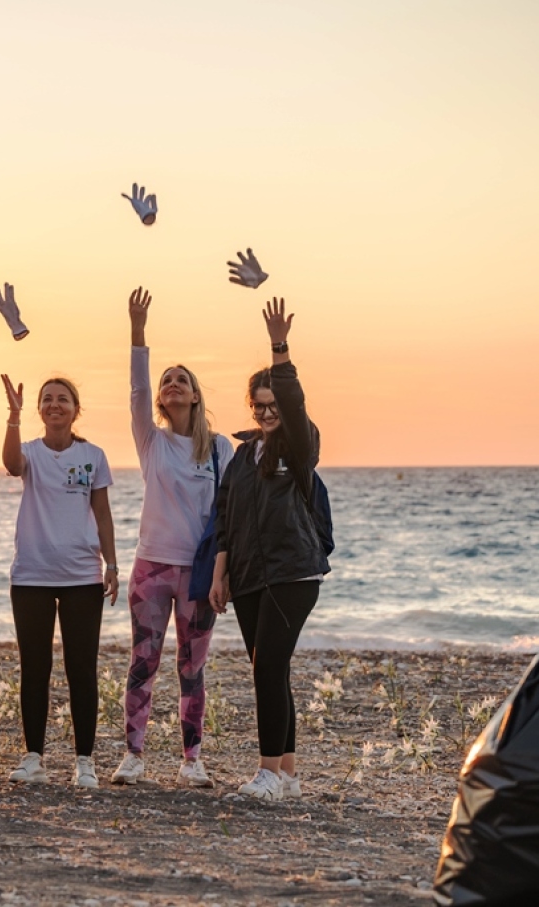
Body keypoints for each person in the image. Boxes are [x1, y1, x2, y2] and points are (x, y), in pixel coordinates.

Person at [111, 288, 234, 789]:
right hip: (152, 568)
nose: (173, 385)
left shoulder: (219, 448)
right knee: (143, 661)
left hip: (199, 573)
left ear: (196, 394)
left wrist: (223, 574)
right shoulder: (152, 440)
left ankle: (191, 759)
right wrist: (139, 333)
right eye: (167, 381)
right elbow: (137, 392)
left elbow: (227, 516)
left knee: (192, 667)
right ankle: (133, 755)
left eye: (182, 380)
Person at [210, 298, 329, 801]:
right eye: (258, 405)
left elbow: (296, 405)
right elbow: (224, 518)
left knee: (267, 667)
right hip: (249, 575)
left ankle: (267, 773)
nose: (266, 412)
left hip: (293, 572)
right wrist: (220, 573)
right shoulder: (241, 458)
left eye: (272, 404)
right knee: (270, 667)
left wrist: (280, 352)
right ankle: (288, 773)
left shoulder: (300, 447)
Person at [0, 375, 118, 788]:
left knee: (81, 668)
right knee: (35, 667)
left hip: (82, 576)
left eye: (63, 399)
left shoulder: (93, 456)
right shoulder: (29, 452)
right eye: (47, 399)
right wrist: (13, 419)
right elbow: (11, 465)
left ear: (75, 408)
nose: (55, 405)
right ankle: (34, 757)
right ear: (39, 410)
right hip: (32, 574)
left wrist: (113, 566)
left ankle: (84, 760)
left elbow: (102, 515)